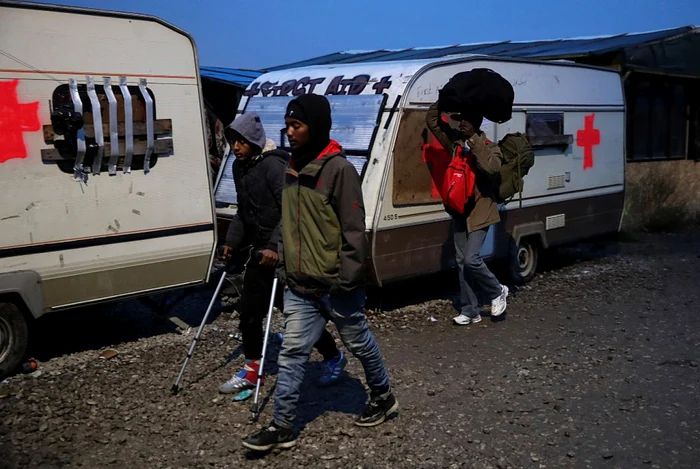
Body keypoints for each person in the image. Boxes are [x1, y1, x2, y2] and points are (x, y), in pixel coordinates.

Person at [242, 95, 397, 452]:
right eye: (288, 125)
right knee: (293, 352)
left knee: (358, 344)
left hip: (335, 284)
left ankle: (383, 395)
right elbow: (288, 220)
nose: (289, 132)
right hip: (299, 285)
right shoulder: (291, 166)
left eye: (296, 125)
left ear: (317, 126)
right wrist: (280, 257)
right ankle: (282, 426)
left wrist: (346, 279)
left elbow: (354, 230)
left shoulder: (339, 170)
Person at [218, 112, 347, 397]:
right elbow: (244, 211)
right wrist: (231, 241)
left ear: (253, 140)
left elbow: (290, 211)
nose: (236, 148)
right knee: (249, 314)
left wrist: (276, 247)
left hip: (283, 255)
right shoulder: (240, 168)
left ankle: (333, 357)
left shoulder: (275, 167)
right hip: (257, 254)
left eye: (240, 142)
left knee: (296, 317)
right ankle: (253, 370)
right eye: (232, 142)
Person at [426, 102, 509, 325]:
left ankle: (497, 290)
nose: (461, 123)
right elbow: (432, 123)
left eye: (466, 120)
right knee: (462, 261)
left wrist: (474, 139)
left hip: (481, 212)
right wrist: (442, 101)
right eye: (460, 120)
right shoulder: (455, 144)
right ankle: (470, 310)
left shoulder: (490, 147)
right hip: (459, 210)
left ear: (476, 124)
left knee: (472, 259)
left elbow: (491, 168)